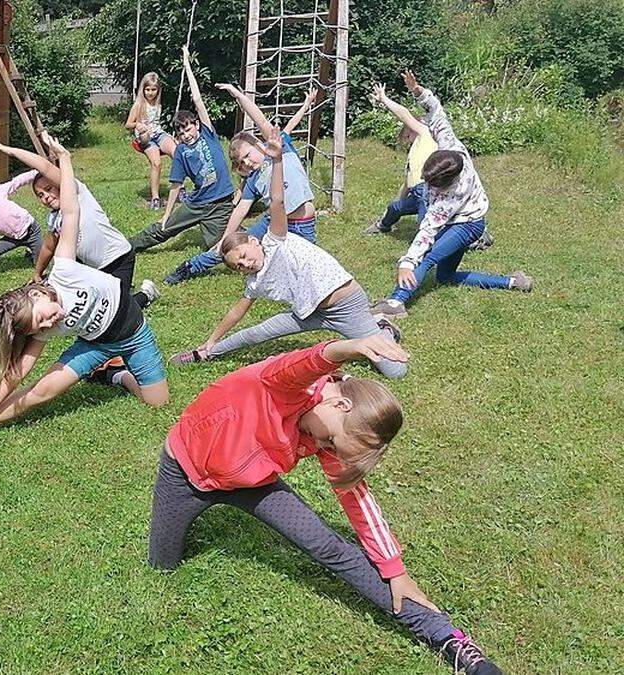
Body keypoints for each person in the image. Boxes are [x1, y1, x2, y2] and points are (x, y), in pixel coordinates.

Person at [149, 336, 502, 675]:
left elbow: (357, 500)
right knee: (162, 565)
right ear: (339, 403)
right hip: (184, 474)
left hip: (254, 485)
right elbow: (305, 363)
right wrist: (347, 348)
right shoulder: (282, 385)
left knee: (329, 546)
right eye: (330, 439)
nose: (322, 447)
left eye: (331, 447)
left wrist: (395, 569)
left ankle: (447, 638)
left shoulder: (327, 437)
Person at [0, 133, 169, 456]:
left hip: (134, 332)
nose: (51, 323)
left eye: (45, 317)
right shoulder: (43, 326)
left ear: (36, 294)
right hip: (95, 344)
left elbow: (71, 210)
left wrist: (66, 157)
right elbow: (19, 372)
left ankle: (115, 375)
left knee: (157, 402)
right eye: (42, 328)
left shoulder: (65, 268)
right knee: (40, 392)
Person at [170, 129, 406, 378]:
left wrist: (278, 160)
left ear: (254, 240)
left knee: (395, 371)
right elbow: (236, 312)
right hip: (308, 312)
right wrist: (211, 340)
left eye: (242, 255)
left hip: (344, 306)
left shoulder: (275, 239)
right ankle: (205, 353)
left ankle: (384, 331)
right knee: (257, 332)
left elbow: (277, 201)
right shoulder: (255, 281)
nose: (245, 264)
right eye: (238, 266)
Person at [367, 72, 533, 319]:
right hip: (463, 219)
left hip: (469, 225)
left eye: (432, 183)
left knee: (428, 254)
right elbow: (436, 111)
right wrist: (417, 91)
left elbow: (426, 231)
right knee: (445, 276)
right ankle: (512, 282)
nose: (427, 185)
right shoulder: (451, 147)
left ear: (445, 183)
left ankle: (395, 303)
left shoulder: (449, 198)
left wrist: (406, 262)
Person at [165, 87, 319, 285]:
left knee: (307, 269)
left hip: (303, 223)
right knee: (231, 248)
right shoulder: (254, 179)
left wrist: (238, 95)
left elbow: (261, 119)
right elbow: (240, 211)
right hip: (271, 223)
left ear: (258, 144)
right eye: (241, 162)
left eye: (247, 156)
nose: (246, 163)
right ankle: (190, 267)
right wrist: (226, 238)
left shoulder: (281, 149)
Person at [0, 140, 160, 309]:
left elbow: (46, 167)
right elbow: (48, 248)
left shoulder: (77, 193)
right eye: (41, 195)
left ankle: (146, 293)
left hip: (119, 258)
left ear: (60, 185)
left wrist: (13, 151)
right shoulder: (54, 219)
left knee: (119, 311)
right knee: (94, 306)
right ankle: (119, 290)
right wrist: (37, 273)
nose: (46, 197)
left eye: (49, 189)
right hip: (94, 269)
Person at [129, 48, 237, 274]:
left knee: (218, 245)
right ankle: (126, 246)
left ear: (196, 125)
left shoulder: (208, 133)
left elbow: (197, 99)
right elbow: (176, 185)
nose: (187, 135)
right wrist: (167, 214)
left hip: (222, 203)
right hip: (198, 204)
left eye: (188, 129)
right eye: (182, 133)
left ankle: (262, 237)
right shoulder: (180, 153)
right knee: (164, 229)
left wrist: (187, 64)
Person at [364, 76, 495, 252]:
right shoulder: (413, 153)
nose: (407, 141)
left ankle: (477, 237)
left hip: (429, 191)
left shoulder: (425, 133)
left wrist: (384, 99)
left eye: (407, 136)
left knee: (428, 233)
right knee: (394, 207)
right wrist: (400, 200)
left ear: (412, 129)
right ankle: (382, 225)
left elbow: (404, 115)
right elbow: (407, 182)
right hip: (416, 193)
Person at [125, 72, 178, 210]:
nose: (150, 93)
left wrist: (169, 135)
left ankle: (180, 188)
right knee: (157, 163)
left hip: (159, 134)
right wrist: (137, 125)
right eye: (147, 89)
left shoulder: (157, 104)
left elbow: (156, 125)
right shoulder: (138, 105)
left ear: (158, 90)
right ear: (143, 89)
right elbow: (127, 124)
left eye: (153, 90)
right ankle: (155, 197)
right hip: (146, 138)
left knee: (177, 153)